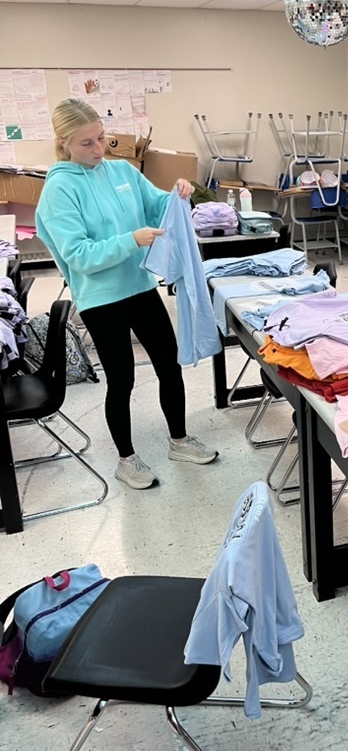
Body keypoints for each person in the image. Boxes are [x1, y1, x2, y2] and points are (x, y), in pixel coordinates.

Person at [35, 98, 219, 490]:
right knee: (121, 380)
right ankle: (126, 459)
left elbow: (157, 205)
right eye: (86, 143)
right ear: (63, 142)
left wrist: (180, 192)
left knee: (169, 366)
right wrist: (130, 240)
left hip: (139, 287)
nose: (98, 149)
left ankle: (179, 440)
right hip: (101, 299)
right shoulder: (59, 190)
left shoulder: (122, 171)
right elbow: (79, 255)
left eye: (102, 138)